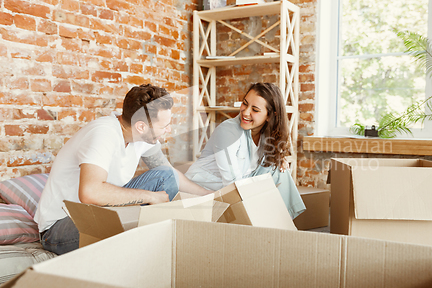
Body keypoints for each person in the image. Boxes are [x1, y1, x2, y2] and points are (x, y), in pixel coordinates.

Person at [34, 84, 211, 255]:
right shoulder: (103, 134)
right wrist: (150, 196)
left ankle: (146, 241)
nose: (169, 129)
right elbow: (90, 193)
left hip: (100, 211)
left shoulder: (141, 135)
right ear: (141, 126)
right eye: (164, 126)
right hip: (60, 227)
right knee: (134, 218)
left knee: (166, 176)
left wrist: (209, 195)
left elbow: (169, 174)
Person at [185, 83, 306, 219]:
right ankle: (269, 223)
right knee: (271, 174)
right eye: (245, 103)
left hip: (238, 183)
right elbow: (232, 183)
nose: (245, 112)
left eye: (255, 109)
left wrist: (279, 158)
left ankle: (282, 220)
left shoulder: (265, 134)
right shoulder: (228, 131)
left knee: (278, 170)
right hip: (206, 187)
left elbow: (262, 166)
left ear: (270, 116)